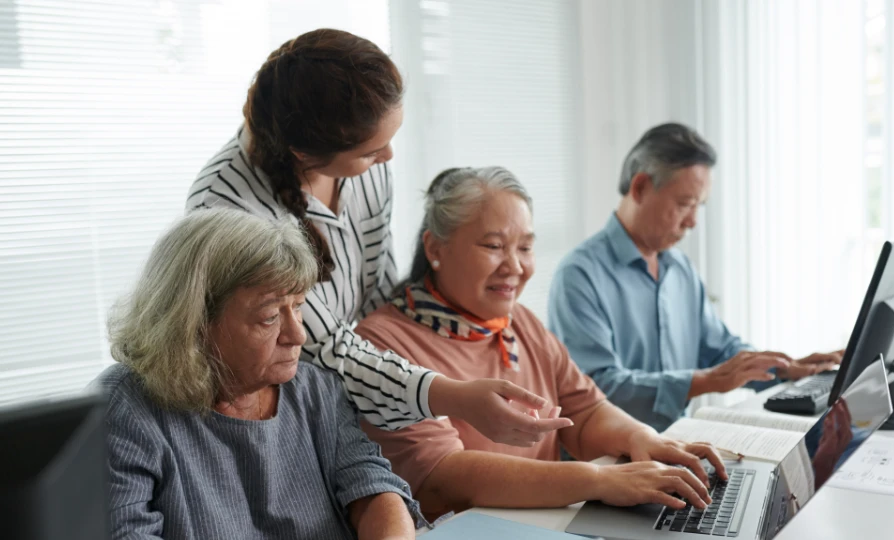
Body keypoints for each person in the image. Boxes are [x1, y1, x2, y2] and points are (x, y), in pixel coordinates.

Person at [185, 28, 568, 446]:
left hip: (369, 385)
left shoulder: (367, 162)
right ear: (303, 154)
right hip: (275, 417)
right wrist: (449, 395)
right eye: (371, 151)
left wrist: (423, 369)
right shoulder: (227, 207)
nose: (388, 157)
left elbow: (378, 289)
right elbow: (323, 350)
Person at [354, 167, 727, 520]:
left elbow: (583, 411)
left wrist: (640, 438)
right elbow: (441, 477)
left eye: (526, 248)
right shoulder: (382, 344)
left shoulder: (520, 321)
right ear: (435, 249)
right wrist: (599, 481)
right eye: (494, 246)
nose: (515, 266)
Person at [98, 209, 422, 539]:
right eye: (269, 317)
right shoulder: (123, 408)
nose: (298, 335)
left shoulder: (313, 389)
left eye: (297, 307)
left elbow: (372, 488)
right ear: (193, 323)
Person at [548, 123, 843, 432]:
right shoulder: (580, 276)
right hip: (609, 462)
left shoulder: (679, 269)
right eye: (684, 204)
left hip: (676, 447)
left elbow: (721, 349)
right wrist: (707, 381)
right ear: (640, 188)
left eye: (698, 206)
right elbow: (597, 391)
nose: (692, 222)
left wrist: (785, 368)